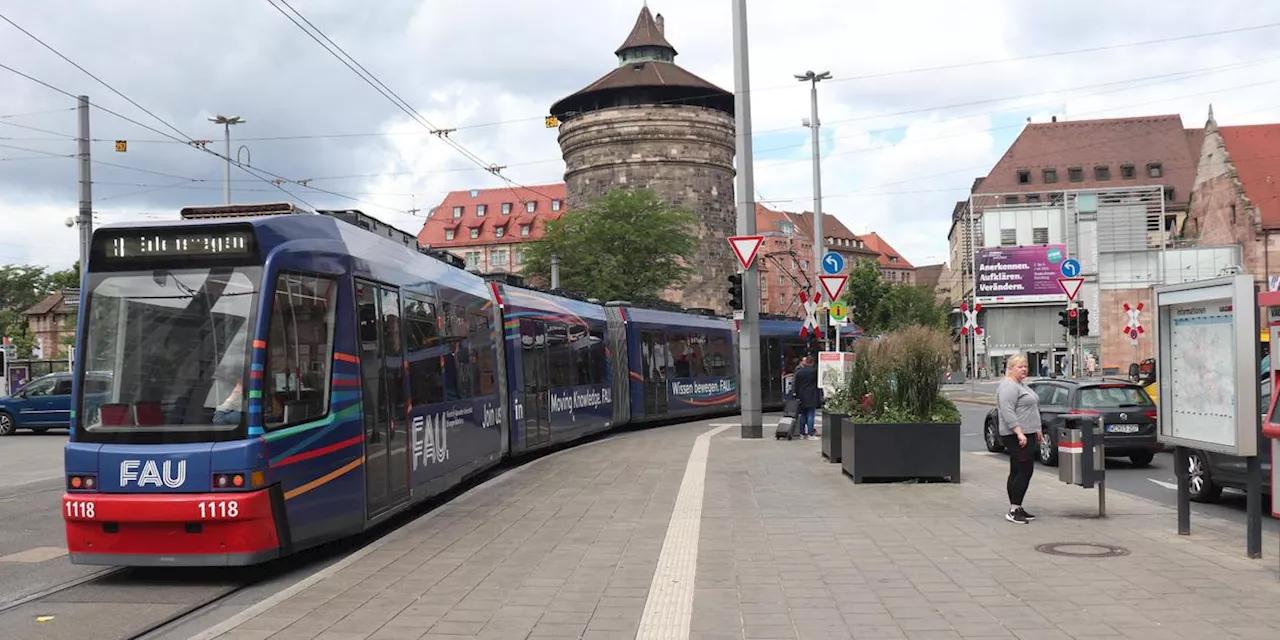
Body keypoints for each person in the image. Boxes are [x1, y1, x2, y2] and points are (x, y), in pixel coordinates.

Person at [996, 354, 1040, 524]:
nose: (1024, 369)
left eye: (1025, 366)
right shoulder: (1008, 386)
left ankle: (1017, 506)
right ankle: (1014, 509)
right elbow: (1007, 411)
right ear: (1010, 368)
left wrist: (1036, 428)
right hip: (1016, 436)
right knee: (1023, 470)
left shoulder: (1021, 385)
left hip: (1027, 432)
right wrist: (1019, 432)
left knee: (1019, 469)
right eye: (1020, 366)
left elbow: (1031, 408)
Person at [792, 355, 820, 440]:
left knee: (803, 415)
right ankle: (810, 433)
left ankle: (802, 433)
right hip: (811, 395)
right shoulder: (814, 372)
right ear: (812, 362)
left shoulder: (799, 372)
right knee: (811, 414)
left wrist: (796, 395)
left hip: (801, 396)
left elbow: (795, 384)